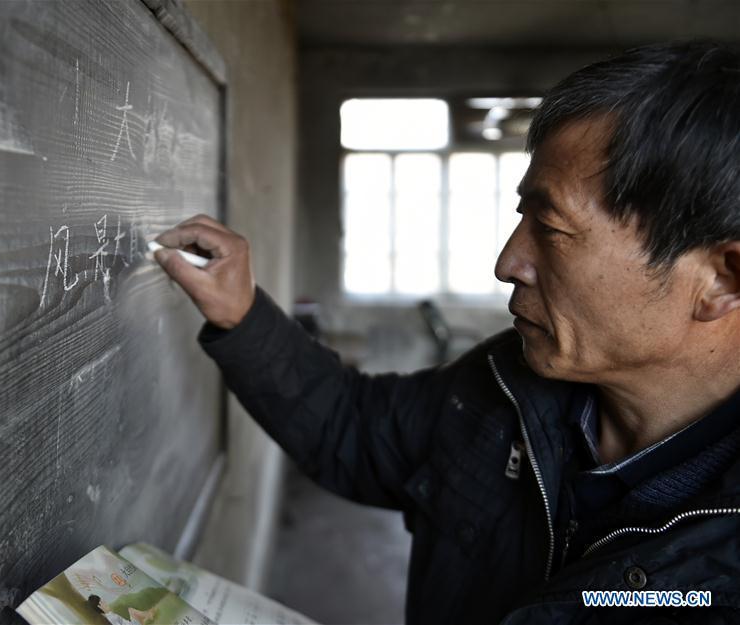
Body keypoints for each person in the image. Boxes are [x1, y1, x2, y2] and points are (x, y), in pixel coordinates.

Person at [152, 40, 740, 624]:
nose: (508, 264)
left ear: (721, 278)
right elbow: (351, 427)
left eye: (552, 228)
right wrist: (242, 314)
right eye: (523, 219)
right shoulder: (507, 388)